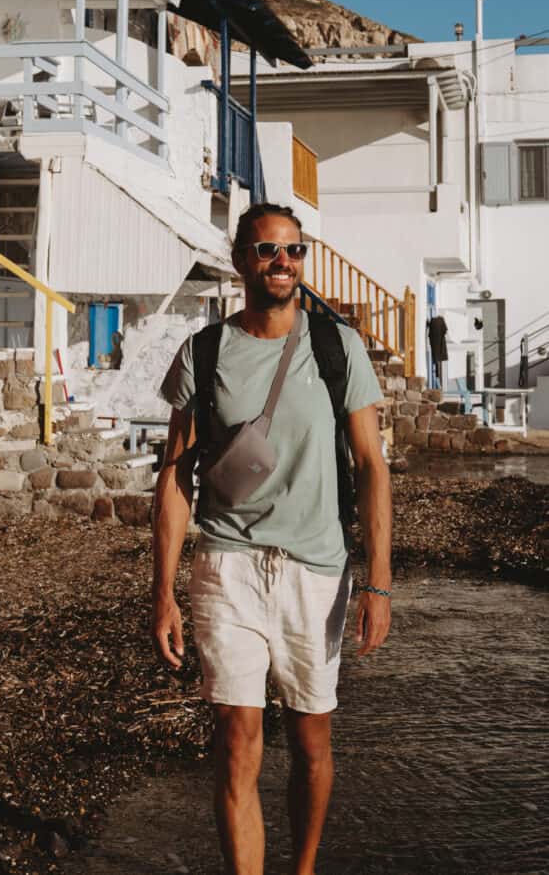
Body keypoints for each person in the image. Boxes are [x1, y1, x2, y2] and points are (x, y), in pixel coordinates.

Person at [151, 203, 392, 875]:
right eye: (265, 250)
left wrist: (377, 582)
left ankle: (304, 867)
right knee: (236, 738)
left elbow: (372, 467)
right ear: (240, 261)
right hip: (226, 565)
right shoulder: (204, 351)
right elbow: (173, 478)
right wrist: (162, 592)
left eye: (292, 250)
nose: (281, 262)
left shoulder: (334, 346)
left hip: (316, 571)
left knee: (310, 737)